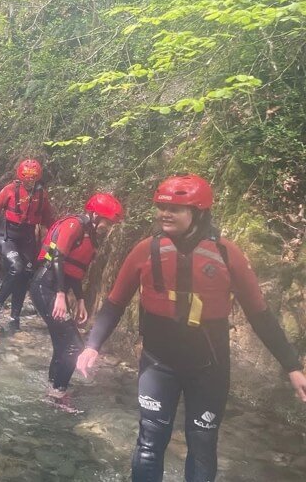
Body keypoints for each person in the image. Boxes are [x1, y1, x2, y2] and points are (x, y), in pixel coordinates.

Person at [76, 173, 306, 482]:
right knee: (149, 442)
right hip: (159, 363)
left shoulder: (226, 254)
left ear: (198, 213)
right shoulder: (145, 250)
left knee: (201, 444)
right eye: (161, 207)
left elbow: (260, 315)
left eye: (176, 209)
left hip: (209, 367)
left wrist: (292, 366)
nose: (165, 214)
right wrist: (92, 346)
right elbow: (115, 302)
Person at [29, 193, 124, 397]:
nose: (107, 227)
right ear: (95, 215)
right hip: (45, 287)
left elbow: (74, 272)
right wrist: (61, 295)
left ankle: (53, 387)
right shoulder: (74, 225)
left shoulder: (90, 236)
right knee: (75, 346)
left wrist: (80, 299)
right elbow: (57, 259)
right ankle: (58, 393)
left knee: (62, 344)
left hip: (53, 288)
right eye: (107, 222)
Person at [0, 159, 55, 330]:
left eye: (32, 178)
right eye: (26, 178)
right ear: (20, 177)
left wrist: (55, 243)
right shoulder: (9, 190)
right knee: (17, 267)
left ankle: (15, 317)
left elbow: (50, 222)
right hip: (8, 236)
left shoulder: (42, 195)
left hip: (28, 238)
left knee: (26, 274)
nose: (29, 181)